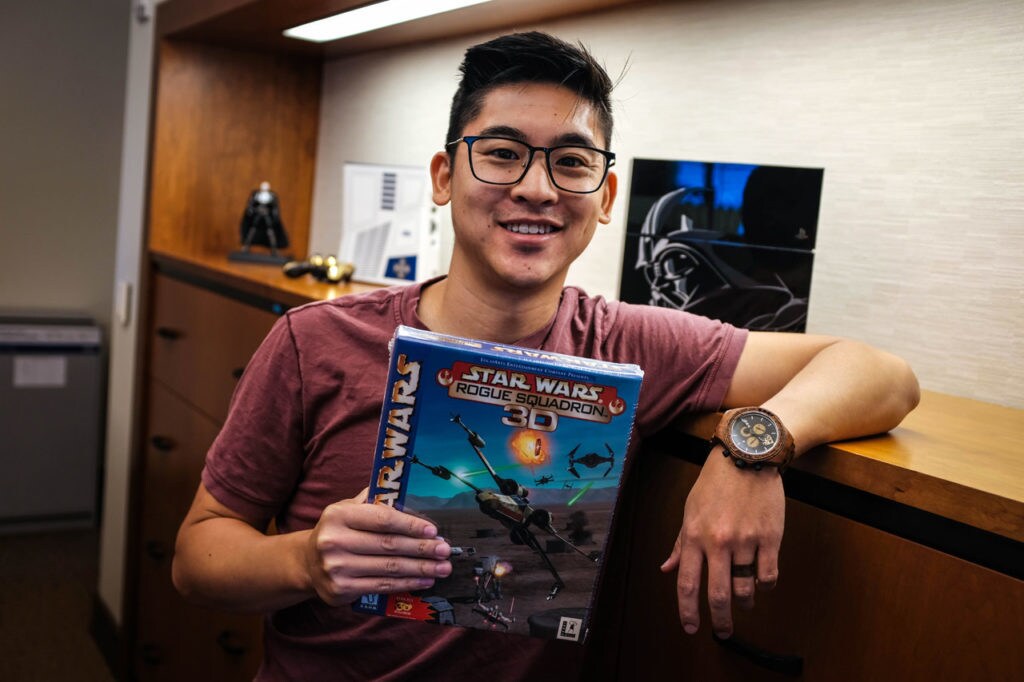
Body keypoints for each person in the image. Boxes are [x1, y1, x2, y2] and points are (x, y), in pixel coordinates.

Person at [173, 31, 919, 680]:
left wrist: (749, 450)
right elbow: (197, 557)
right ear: (445, 176)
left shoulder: (626, 345)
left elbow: (882, 375)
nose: (535, 188)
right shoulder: (316, 341)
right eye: (501, 154)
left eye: (570, 163)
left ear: (604, 195)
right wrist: (304, 560)